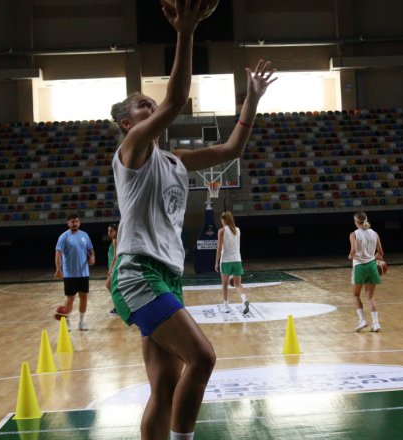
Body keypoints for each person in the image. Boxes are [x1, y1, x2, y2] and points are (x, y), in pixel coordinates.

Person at [109, 1, 275, 438]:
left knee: (165, 387)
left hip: (167, 274)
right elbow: (178, 98)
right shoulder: (132, 152)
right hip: (137, 273)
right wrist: (185, 31)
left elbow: (232, 149)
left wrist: (251, 101)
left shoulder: (176, 160)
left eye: (151, 104)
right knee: (203, 357)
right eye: (144, 106)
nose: (152, 108)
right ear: (128, 124)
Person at [55, 213, 95, 331]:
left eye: (77, 221)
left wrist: (92, 257)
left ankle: (82, 322)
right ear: (68, 223)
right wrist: (58, 269)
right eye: (73, 222)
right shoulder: (64, 237)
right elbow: (58, 253)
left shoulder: (85, 235)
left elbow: (90, 250)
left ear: (79, 222)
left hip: (84, 273)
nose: (75, 223)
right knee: (70, 298)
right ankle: (67, 322)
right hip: (70, 274)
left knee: (84, 297)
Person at [348, 212, 384, 332]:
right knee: (370, 297)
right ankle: (376, 323)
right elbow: (381, 253)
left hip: (359, 266)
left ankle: (362, 320)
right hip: (372, 266)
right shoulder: (374, 233)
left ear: (355, 221)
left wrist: (350, 255)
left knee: (356, 295)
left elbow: (353, 250)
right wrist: (376, 257)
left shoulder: (354, 234)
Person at [214, 211, 249, 314]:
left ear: (223, 220)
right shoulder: (238, 230)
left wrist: (216, 262)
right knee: (238, 284)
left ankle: (225, 306)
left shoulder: (221, 231)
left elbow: (219, 248)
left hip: (226, 261)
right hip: (237, 260)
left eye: (221, 220)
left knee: (225, 284)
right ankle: (244, 300)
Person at [106, 223, 119, 317]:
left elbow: (116, 256)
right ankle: (118, 306)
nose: (109, 232)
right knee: (111, 287)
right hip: (115, 267)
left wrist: (111, 269)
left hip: (116, 268)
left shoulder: (115, 241)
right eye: (108, 230)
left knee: (109, 286)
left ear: (116, 231)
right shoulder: (114, 241)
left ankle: (118, 307)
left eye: (111, 230)